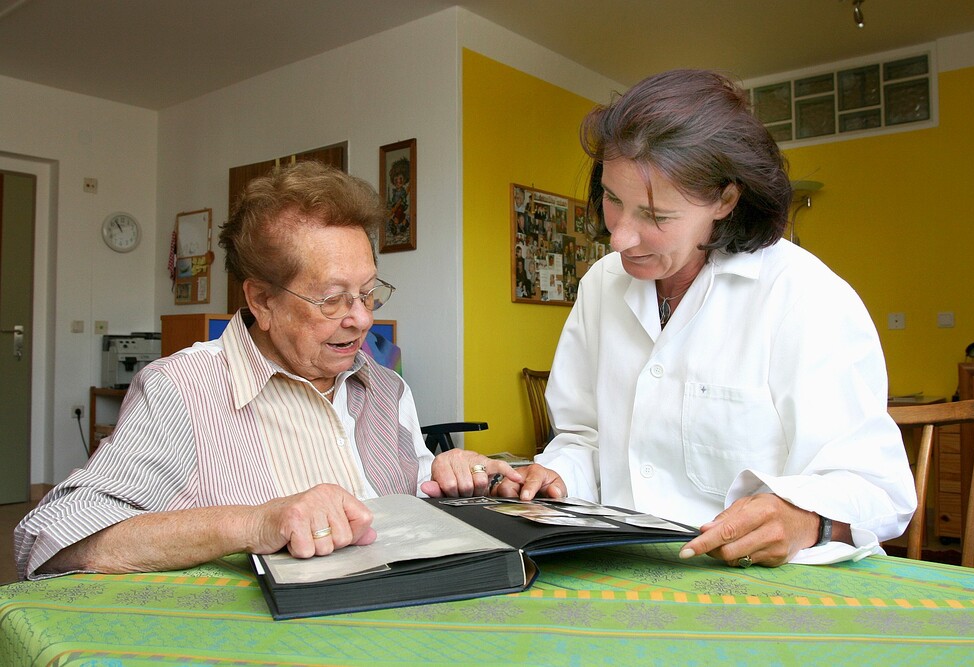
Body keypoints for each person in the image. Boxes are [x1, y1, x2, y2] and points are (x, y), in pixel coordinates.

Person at [14, 161, 551, 581]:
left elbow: (405, 488)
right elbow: (51, 538)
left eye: (367, 292)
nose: (363, 319)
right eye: (332, 299)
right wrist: (254, 522)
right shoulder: (180, 389)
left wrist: (450, 474)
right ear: (260, 301)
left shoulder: (386, 387)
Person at [524, 69, 916, 568]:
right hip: (618, 573)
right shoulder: (603, 284)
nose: (619, 237)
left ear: (725, 202)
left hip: (762, 596)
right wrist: (554, 478)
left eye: (656, 216)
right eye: (612, 200)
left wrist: (806, 520)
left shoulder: (803, 295)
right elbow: (583, 439)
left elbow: (881, 492)